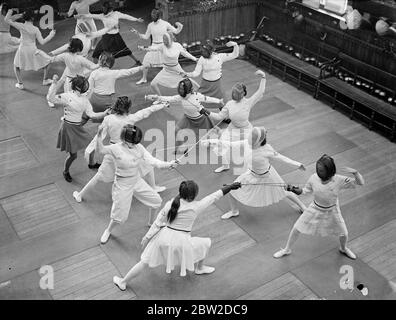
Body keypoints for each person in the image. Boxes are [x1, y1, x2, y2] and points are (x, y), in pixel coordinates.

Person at [112, 180, 242, 291]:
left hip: (162, 238)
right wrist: (229, 187)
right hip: (181, 242)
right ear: (193, 196)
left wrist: (147, 237)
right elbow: (214, 196)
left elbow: (157, 222)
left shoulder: (170, 204)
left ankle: (123, 281)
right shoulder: (196, 207)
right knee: (206, 243)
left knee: (143, 262)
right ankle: (200, 268)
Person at [73, 96, 168, 203]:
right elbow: (146, 111)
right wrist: (162, 105)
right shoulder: (130, 118)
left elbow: (99, 136)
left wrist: (89, 149)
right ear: (128, 108)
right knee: (148, 164)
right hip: (129, 151)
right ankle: (153, 187)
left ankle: (80, 195)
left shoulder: (108, 119)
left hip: (112, 151)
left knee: (98, 176)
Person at [96, 124, 179, 244]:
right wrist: (99, 135)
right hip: (122, 183)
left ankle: (151, 223)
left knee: (156, 201)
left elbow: (153, 161)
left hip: (135, 180)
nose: (135, 144)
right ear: (124, 139)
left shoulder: (139, 147)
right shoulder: (115, 148)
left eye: (136, 142)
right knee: (120, 217)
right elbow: (100, 149)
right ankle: (108, 230)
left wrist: (169, 164)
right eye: (132, 142)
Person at [202, 127, 307, 219]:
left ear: (258, 140)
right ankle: (234, 211)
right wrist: (212, 142)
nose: (249, 139)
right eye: (250, 136)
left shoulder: (267, 149)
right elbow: (229, 144)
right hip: (251, 174)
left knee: (284, 192)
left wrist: (297, 165)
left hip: (268, 176)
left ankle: (302, 206)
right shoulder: (247, 143)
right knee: (231, 191)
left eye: (252, 138)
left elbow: (281, 158)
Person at [273, 154, 365, 260]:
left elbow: (360, 183)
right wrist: (292, 189)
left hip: (332, 210)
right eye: (318, 169)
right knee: (296, 228)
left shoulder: (339, 180)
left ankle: (343, 248)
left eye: (321, 170)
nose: (318, 172)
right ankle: (286, 249)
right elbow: (304, 191)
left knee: (344, 233)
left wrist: (356, 173)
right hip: (314, 208)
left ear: (329, 171)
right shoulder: (314, 178)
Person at [47, 75, 110, 182]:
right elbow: (51, 98)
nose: (86, 87)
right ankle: (66, 171)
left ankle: (92, 163)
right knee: (73, 155)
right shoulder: (67, 96)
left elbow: (92, 114)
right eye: (84, 85)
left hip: (78, 127)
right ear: (78, 87)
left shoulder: (85, 100)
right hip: (68, 127)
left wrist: (104, 113)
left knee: (92, 145)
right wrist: (54, 83)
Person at [205, 70, 267, 173]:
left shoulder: (248, 102)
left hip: (246, 129)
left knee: (249, 150)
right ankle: (225, 166)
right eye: (233, 92)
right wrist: (207, 112)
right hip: (232, 128)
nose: (234, 94)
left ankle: (250, 169)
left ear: (243, 94)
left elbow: (260, 92)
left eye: (236, 93)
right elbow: (219, 116)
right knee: (221, 144)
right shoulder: (229, 104)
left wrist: (263, 77)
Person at [147, 78, 223, 153]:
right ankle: (182, 146)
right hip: (187, 118)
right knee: (176, 130)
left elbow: (207, 99)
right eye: (180, 89)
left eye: (182, 89)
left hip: (201, 119)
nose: (180, 91)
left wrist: (219, 101)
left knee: (212, 130)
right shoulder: (180, 97)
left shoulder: (197, 96)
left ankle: (220, 135)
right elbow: (169, 98)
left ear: (188, 89)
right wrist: (158, 97)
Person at [77, 1, 144, 65]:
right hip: (106, 37)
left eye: (104, 8)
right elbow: (91, 15)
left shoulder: (116, 14)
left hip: (116, 37)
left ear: (108, 9)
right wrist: (81, 15)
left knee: (125, 50)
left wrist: (136, 19)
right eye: (103, 8)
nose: (103, 9)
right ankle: (95, 68)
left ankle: (137, 61)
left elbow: (126, 16)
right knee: (96, 54)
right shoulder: (102, 16)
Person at [4, 8, 56, 89]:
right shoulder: (35, 29)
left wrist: (12, 11)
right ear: (32, 18)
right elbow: (42, 42)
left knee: (16, 66)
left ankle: (20, 84)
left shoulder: (21, 25)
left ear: (24, 17)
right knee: (48, 62)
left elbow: (7, 19)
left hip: (22, 49)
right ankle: (45, 80)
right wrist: (51, 35)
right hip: (33, 50)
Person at [131, 8, 183, 85]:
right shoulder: (150, 25)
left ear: (158, 15)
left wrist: (179, 26)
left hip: (163, 46)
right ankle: (144, 78)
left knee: (169, 63)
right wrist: (137, 33)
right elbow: (146, 37)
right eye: (152, 13)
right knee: (145, 62)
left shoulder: (165, 24)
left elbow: (176, 31)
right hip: (154, 46)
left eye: (154, 14)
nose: (152, 15)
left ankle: (177, 77)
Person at [186, 41, 239, 110]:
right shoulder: (202, 59)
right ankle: (200, 116)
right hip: (205, 85)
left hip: (217, 85)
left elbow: (235, 55)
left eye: (205, 51)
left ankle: (225, 117)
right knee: (198, 100)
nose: (203, 53)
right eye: (202, 51)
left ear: (211, 51)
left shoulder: (220, 57)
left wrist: (235, 45)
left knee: (221, 101)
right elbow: (196, 73)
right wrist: (187, 74)